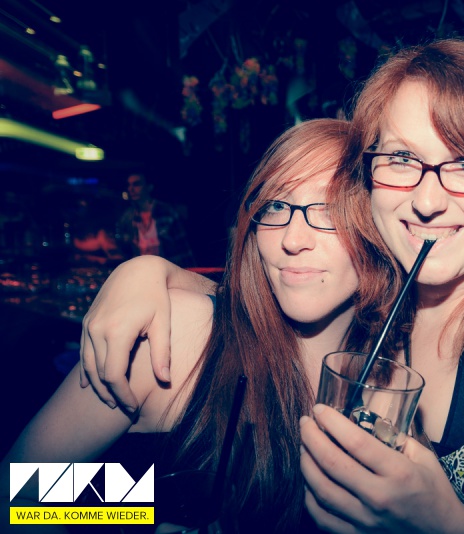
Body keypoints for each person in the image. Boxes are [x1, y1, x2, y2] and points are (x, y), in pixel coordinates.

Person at [78, 38, 464, 532]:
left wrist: (443, 522)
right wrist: (130, 509)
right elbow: (34, 500)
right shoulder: (383, 334)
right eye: (402, 159)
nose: (429, 200)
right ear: (371, 193)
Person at [2, 118, 384, 532]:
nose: (292, 239)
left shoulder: (395, 388)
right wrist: (137, 513)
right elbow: (20, 495)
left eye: (329, 208)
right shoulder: (176, 337)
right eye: (276, 205)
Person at [116, 171, 196, 267]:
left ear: (149, 187)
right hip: (143, 271)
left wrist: (190, 271)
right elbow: (126, 249)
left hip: (167, 271)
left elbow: (183, 249)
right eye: (129, 185)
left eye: (136, 184)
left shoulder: (166, 212)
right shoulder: (128, 217)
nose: (130, 189)